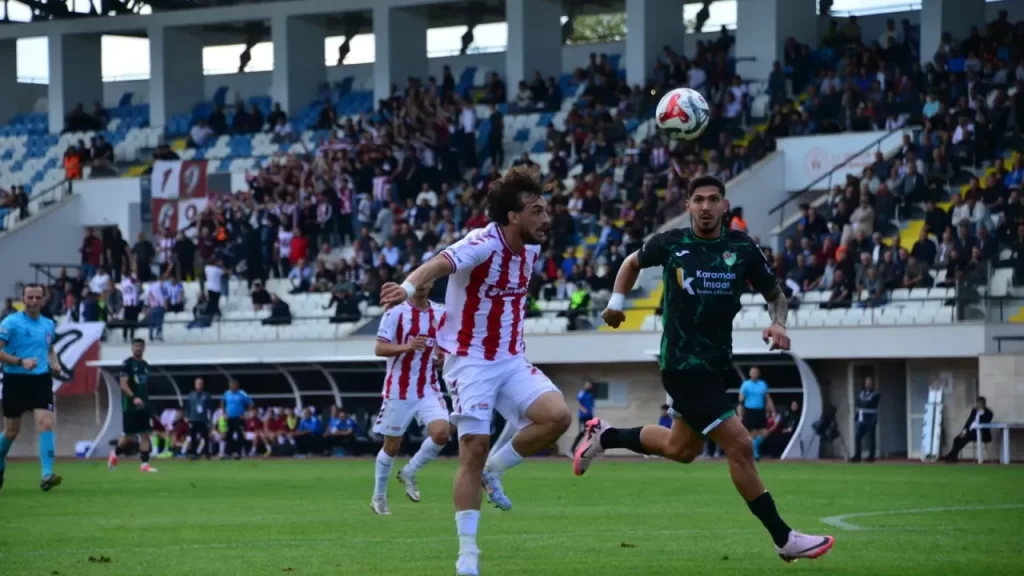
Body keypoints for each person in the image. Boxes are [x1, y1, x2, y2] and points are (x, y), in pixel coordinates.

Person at [573, 175, 835, 563]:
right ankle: (784, 538)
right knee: (742, 445)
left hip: (715, 365)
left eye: (714, 199)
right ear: (689, 206)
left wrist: (779, 323)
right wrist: (615, 302)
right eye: (699, 199)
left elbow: (775, 295)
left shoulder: (741, 248)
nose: (706, 206)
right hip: (681, 365)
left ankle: (605, 436)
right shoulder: (673, 243)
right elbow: (631, 262)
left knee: (681, 449)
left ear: (724, 206)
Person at [379, 166, 572, 576]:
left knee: (557, 417)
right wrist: (409, 289)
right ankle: (468, 554)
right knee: (473, 447)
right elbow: (438, 263)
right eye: (536, 210)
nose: (546, 218)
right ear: (514, 216)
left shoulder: (533, 248)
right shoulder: (482, 243)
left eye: (545, 209)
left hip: (512, 358)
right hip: (470, 361)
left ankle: (494, 472)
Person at [370, 279, 450, 515]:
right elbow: (379, 348)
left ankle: (410, 471)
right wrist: (406, 347)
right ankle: (379, 496)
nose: (423, 285)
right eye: (418, 282)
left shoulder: (441, 312)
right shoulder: (396, 313)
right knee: (392, 446)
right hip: (399, 389)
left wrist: (442, 355)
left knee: (441, 433)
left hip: (428, 387)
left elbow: (446, 345)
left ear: (432, 284)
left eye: (427, 281)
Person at [0, 284, 62, 492]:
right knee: (11, 432)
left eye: (37, 297)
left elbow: (50, 349)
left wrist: (54, 362)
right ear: (23, 299)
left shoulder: (48, 324)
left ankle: (47, 475)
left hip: (41, 380)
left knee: (45, 423)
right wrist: (20, 362)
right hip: (15, 379)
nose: (34, 301)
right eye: (30, 297)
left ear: (43, 299)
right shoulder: (10, 322)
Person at [108, 338, 158, 473]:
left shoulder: (145, 365)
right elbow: (123, 384)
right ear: (132, 348)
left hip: (144, 406)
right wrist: (134, 397)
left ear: (144, 348)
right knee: (128, 438)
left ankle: (144, 465)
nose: (138, 348)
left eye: (141, 346)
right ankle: (115, 453)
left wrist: (145, 401)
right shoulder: (127, 364)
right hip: (130, 406)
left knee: (145, 435)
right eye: (136, 346)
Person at [738, 367, 775, 461]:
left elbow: (767, 398)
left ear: (758, 374)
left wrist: (773, 411)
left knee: (764, 432)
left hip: (760, 411)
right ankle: (755, 454)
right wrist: (740, 414)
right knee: (753, 434)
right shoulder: (745, 385)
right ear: (750, 374)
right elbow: (741, 400)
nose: (754, 374)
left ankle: (753, 450)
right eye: (752, 372)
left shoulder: (762, 384)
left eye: (756, 372)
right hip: (750, 410)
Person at [943, 396, 994, 463]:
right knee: (957, 439)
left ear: (983, 404)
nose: (977, 404)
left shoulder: (988, 413)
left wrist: (981, 413)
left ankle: (950, 456)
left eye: (979, 403)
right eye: (977, 403)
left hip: (981, 433)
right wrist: (963, 431)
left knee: (965, 438)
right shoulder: (974, 411)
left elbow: (985, 422)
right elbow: (968, 422)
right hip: (970, 431)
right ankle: (953, 457)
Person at [851, 377, 880, 462]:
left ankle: (871, 456)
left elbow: (869, 403)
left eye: (869, 383)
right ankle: (857, 455)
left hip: (871, 419)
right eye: (866, 383)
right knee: (858, 437)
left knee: (871, 438)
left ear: (872, 384)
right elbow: (859, 403)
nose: (868, 385)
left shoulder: (876, 393)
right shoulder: (862, 393)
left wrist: (863, 402)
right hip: (862, 418)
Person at [222, 379, 253, 460]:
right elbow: (222, 402)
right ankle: (228, 452)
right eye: (230, 386)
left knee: (240, 435)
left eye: (233, 386)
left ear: (236, 386)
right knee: (228, 435)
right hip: (229, 418)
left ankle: (237, 453)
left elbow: (251, 403)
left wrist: (246, 414)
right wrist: (224, 413)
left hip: (239, 418)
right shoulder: (227, 393)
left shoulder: (242, 393)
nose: (231, 388)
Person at [185, 378, 212, 460]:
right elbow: (188, 407)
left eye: (200, 384)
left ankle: (207, 453)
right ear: (195, 385)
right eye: (197, 384)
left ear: (203, 385)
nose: (199, 385)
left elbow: (210, 408)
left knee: (205, 437)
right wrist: (188, 417)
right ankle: (194, 454)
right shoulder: (191, 395)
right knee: (193, 437)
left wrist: (209, 420)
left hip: (203, 419)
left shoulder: (206, 395)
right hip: (193, 419)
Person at [569, 381, 595, 454]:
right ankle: (572, 450)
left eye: (589, 385)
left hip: (590, 416)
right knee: (582, 432)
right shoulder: (582, 393)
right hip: (583, 417)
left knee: (591, 433)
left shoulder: (591, 394)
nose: (588, 386)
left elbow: (592, 405)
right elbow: (578, 402)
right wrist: (582, 409)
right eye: (586, 384)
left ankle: (589, 451)